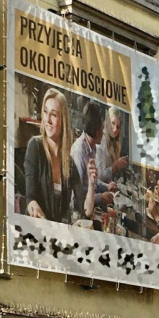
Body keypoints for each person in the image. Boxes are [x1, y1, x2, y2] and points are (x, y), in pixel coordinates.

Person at [21, 87, 95, 223]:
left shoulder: (69, 162)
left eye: (54, 115)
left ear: (63, 120)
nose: (48, 120)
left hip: (55, 232)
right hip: (34, 228)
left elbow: (86, 211)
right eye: (45, 112)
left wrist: (91, 184)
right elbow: (30, 199)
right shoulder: (35, 146)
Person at [69, 103, 117, 212]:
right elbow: (76, 198)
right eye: (102, 128)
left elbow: (92, 182)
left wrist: (106, 186)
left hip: (91, 207)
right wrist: (100, 197)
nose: (103, 132)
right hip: (79, 212)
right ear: (96, 130)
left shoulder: (92, 147)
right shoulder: (79, 152)